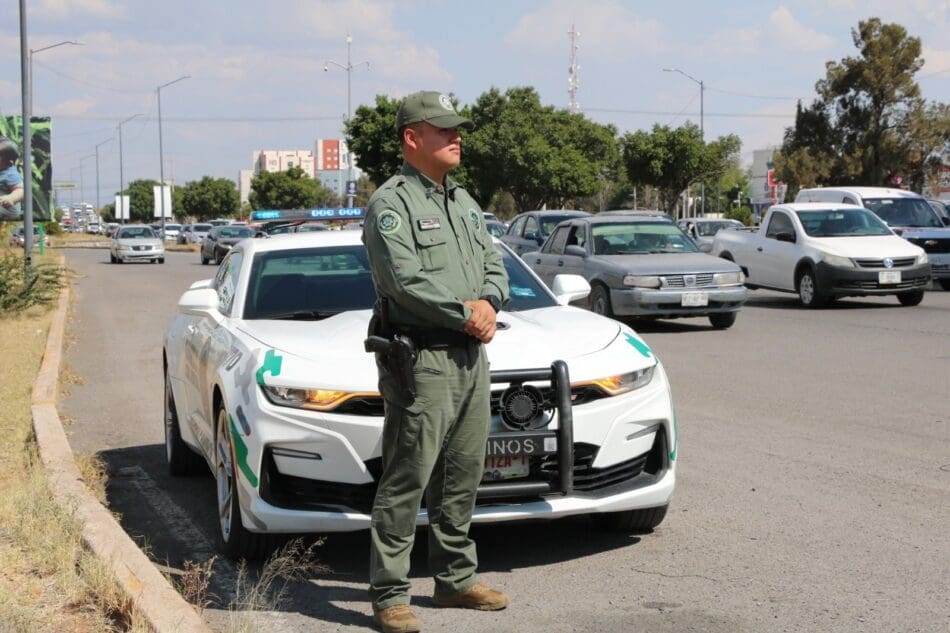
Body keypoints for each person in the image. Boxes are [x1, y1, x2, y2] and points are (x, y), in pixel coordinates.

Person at [362, 91, 510, 633]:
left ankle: (454, 579)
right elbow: (405, 281)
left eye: (456, 129)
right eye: (444, 129)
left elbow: (493, 262)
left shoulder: (464, 201)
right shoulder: (392, 204)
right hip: (421, 358)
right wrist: (466, 314)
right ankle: (390, 594)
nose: (456, 137)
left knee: (461, 475)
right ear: (412, 138)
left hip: (471, 358)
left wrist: (490, 302)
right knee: (407, 477)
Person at [0, 137, 24, 221]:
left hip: (7, 207)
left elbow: (21, 190)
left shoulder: (10, 174)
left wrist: (11, 198)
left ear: (9, 163)